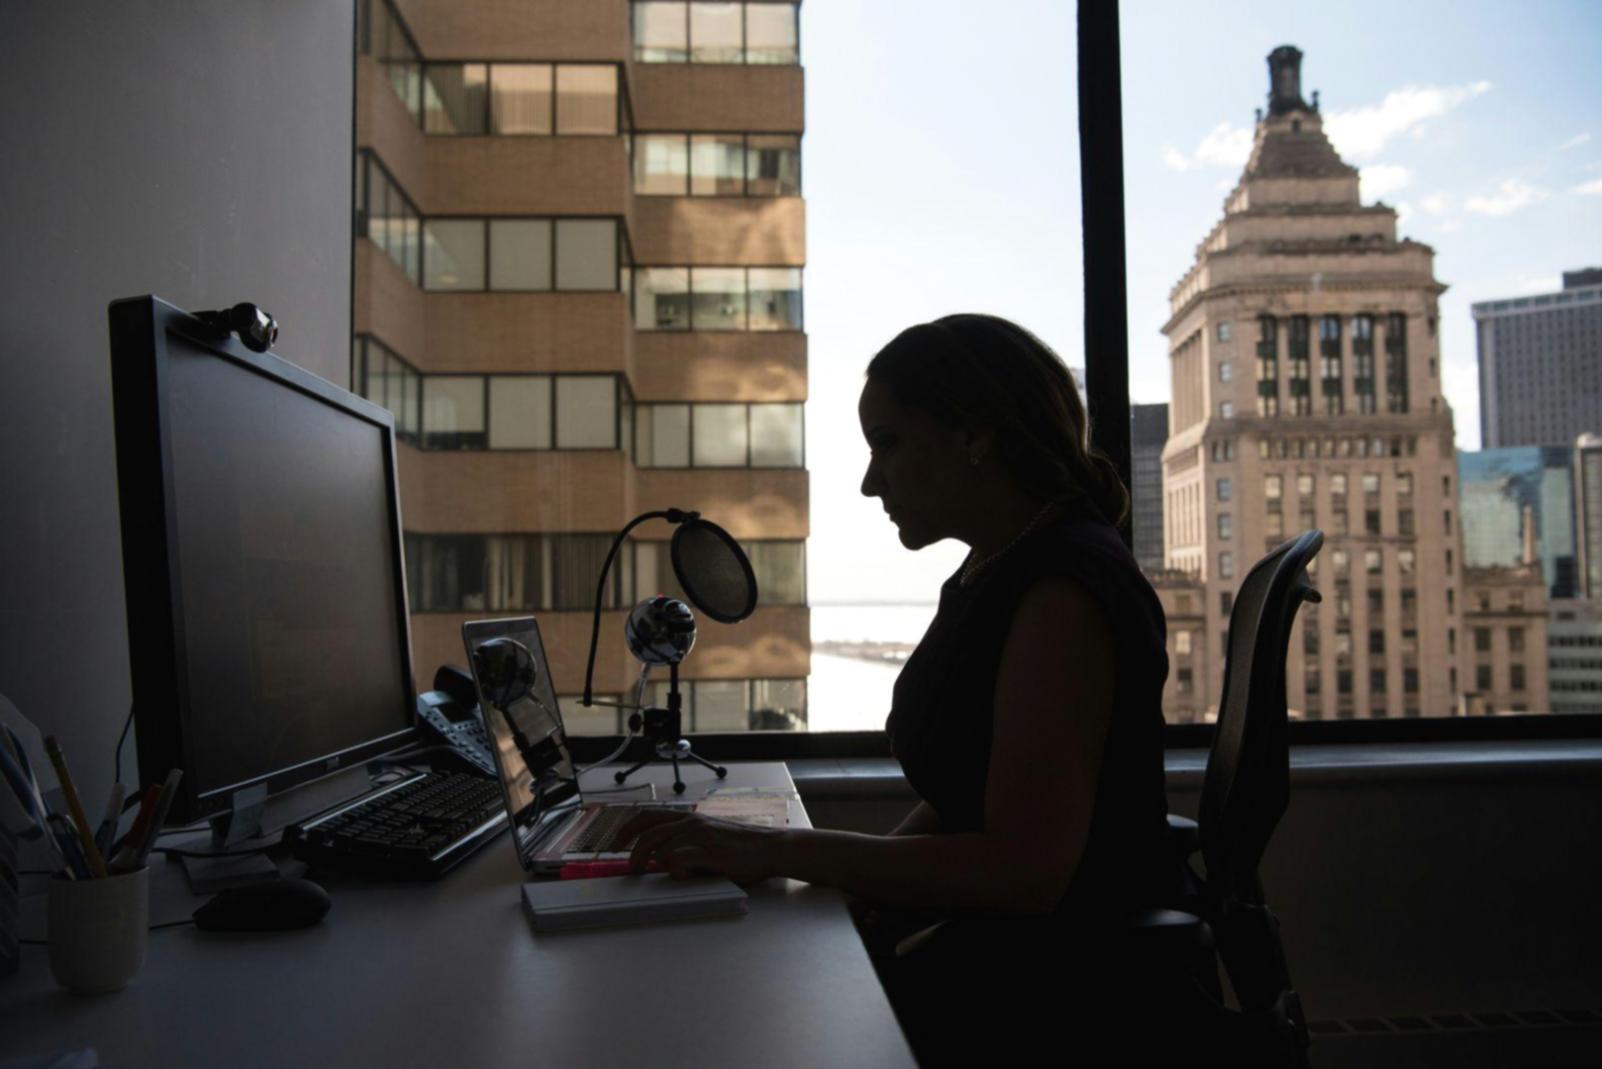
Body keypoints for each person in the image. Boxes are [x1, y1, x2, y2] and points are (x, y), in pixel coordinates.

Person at [624, 314, 1178, 1057]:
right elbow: (964, 794)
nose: (867, 480)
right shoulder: (998, 566)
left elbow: (1024, 871)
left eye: (886, 442)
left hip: (1060, 994)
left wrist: (785, 850)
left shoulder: (1063, 591)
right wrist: (860, 896)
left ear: (973, 436)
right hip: (1009, 958)